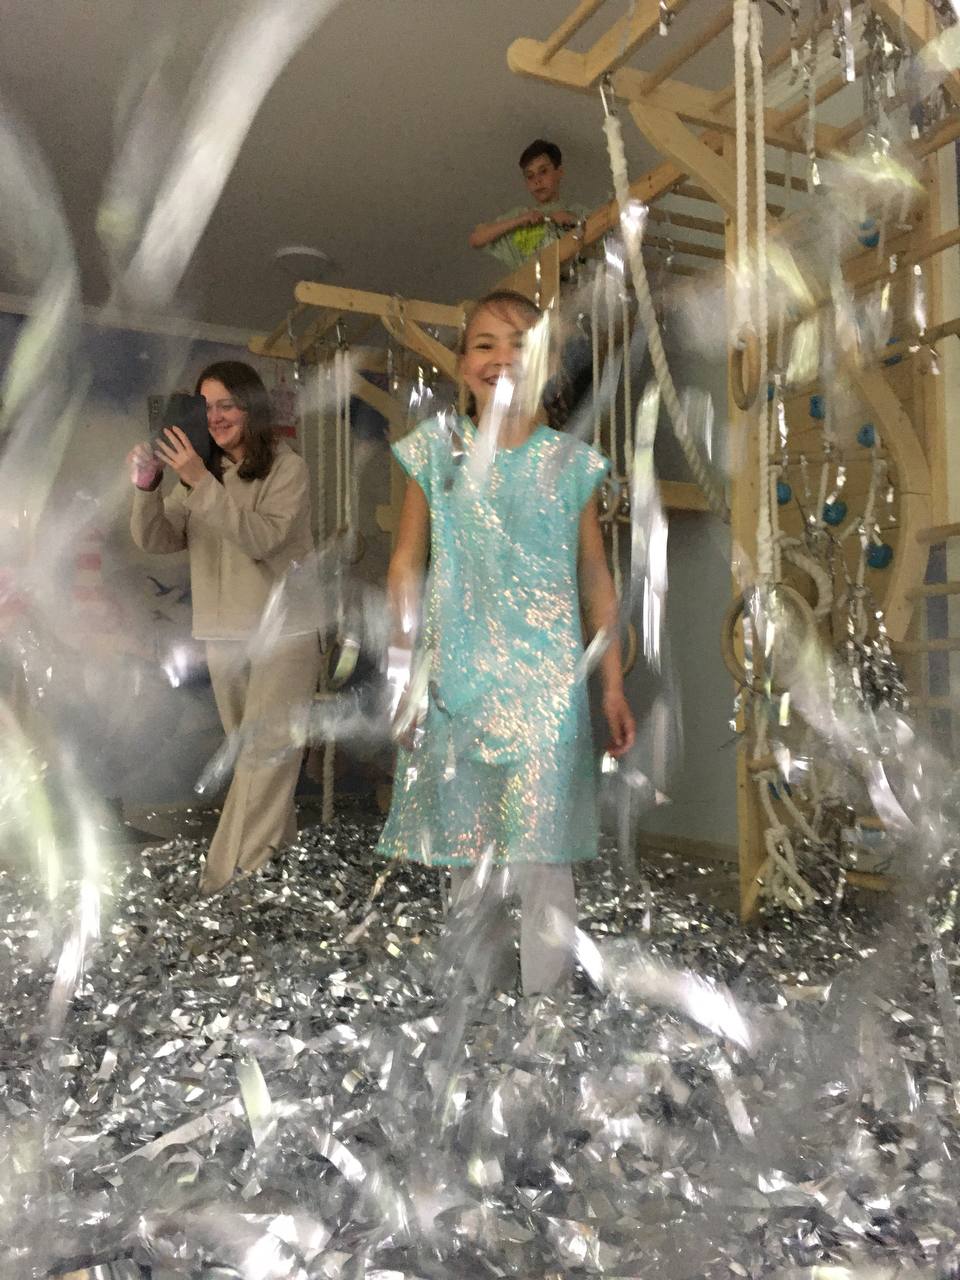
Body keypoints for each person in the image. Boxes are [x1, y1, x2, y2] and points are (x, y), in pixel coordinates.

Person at [377, 290, 635, 995]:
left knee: (544, 860)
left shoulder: (570, 463)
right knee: (470, 860)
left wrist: (612, 682)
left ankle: (545, 1015)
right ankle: (474, 1009)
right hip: (457, 686)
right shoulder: (436, 451)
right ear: (463, 364)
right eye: (484, 344)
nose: (501, 358)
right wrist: (402, 677)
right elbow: (405, 567)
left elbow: (594, 576)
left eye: (520, 344)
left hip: (547, 690)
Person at [127, 361, 319, 895]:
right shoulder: (203, 478)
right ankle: (273, 876)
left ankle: (224, 886)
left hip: (282, 637)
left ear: (251, 407)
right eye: (206, 407)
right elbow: (157, 539)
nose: (215, 417)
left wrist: (198, 480)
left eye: (227, 404)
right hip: (223, 635)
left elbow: (261, 539)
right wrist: (148, 485)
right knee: (255, 768)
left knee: (262, 763)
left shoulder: (287, 469)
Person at [468, 139, 591, 271]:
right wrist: (520, 220)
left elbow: (601, 235)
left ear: (559, 172)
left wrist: (573, 220)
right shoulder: (520, 217)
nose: (537, 181)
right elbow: (476, 239)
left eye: (543, 171)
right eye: (530, 176)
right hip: (532, 282)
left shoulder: (576, 211)